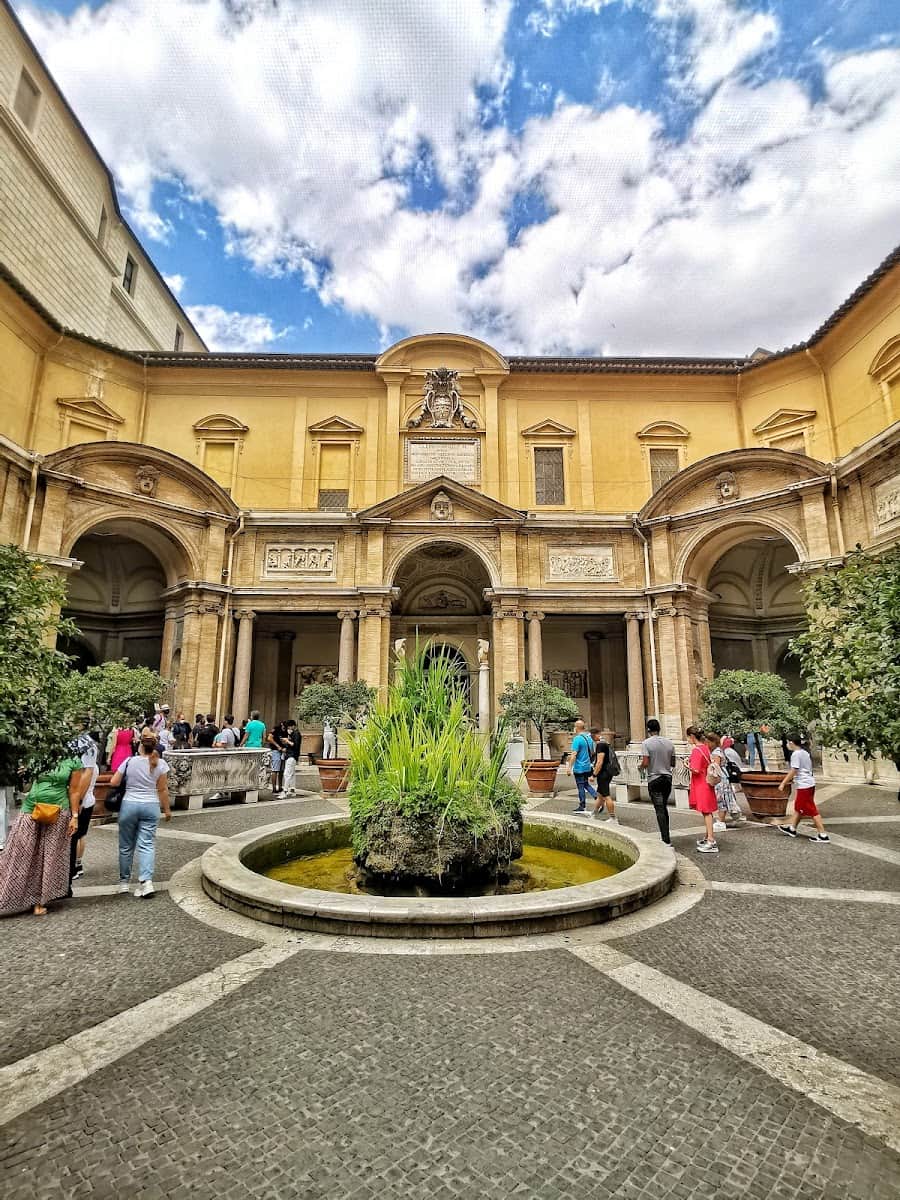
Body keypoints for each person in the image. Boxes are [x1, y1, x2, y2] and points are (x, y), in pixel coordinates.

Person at [0, 744, 91, 916]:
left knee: (49, 858)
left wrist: (75, 816)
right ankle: (5, 898)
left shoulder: (73, 761)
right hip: (31, 809)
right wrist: (21, 775)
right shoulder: (36, 756)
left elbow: (74, 791)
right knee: (17, 854)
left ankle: (39, 902)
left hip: (58, 811)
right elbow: (25, 786)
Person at [110, 728, 172, 898]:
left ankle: (124, 883)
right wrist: (166, 810)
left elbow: (114, 782)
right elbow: (163, 790)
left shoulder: (129, 761)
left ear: (140, 746)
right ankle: (146, 882)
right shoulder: (161, 764)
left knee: (125, 846)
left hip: (129, 803)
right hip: (151, 805)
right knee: (147, 844)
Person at [778, 735, 829, 842]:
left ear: (791, 743)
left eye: (787, 743)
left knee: (811, 810)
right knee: (799, 808)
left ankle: (823, 835)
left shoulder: (796, 754)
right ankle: (792, 829)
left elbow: (794, 770)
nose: (787, 745)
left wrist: (783, 783)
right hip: (809, 783)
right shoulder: (804, 752)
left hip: (804, 785)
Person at [70, 730, 99, 884]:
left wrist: (78, 801)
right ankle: (78, 864)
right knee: (82, 834)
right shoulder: (94, 764)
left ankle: (73, 867)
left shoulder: (86, 766)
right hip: (89, 800)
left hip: (83, 801)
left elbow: (84, 779)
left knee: (75, 836)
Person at [686, 726, 720, 854]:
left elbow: (695, 769)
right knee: (707, 812)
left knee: (706, 812)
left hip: (701, 783)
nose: (688, 739)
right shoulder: (705, 748)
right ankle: (707, 837)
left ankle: (711, 840)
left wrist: (686, 765)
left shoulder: (696, 750)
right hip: (706, 782)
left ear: (692, 737)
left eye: (689, 737)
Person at [640, 719, 675, 844]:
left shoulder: (646, 743)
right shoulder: (669, 743)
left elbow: (645, 762)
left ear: (648, 730)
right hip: (667, 778)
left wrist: (641, 767)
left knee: (659, 809)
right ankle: (666, 835)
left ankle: (666, 839)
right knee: (663, 807)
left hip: (654, 778)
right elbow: (673, 763)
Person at [565, 719, 597, 813]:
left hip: (579, 767)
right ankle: (597, 797)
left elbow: (574, 754)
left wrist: (569, 767)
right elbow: (592, 752)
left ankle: (582, 805)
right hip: (588, 766)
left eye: (575, 726)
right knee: (586, 784)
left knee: (580, 786)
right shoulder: (589, 738)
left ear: (577, 728)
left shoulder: (577, 739)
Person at [705, 733, 730, 835]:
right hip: (723, 777)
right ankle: (721, 820)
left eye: (708, 742)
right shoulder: (718, 751)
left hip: (720, 778)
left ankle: (721, 821)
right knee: (722, 798)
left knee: (721, 799)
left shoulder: (716, 752)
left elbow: (716, 766)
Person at [589, 729, 617, 823]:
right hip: (607, 772)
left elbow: (599, 762)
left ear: (596, 735)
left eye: (592, 735)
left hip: (603, 773)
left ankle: (613, 818)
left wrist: (594, 775)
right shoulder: (605, 742)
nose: (592, 738)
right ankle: (594, 814)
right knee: (600, 795)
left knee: (606, 796)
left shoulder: (600, 745)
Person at [280, 719, 301, 796]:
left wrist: (287, 741)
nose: (288, 729)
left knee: (287, 773)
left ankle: (285, 790)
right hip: (291, 755)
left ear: (293, 726)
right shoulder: (294, 734)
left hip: (292, 755)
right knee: (291, 773)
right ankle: (292, 789)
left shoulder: (296, 734)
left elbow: (294, 744)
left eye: (289, 727)